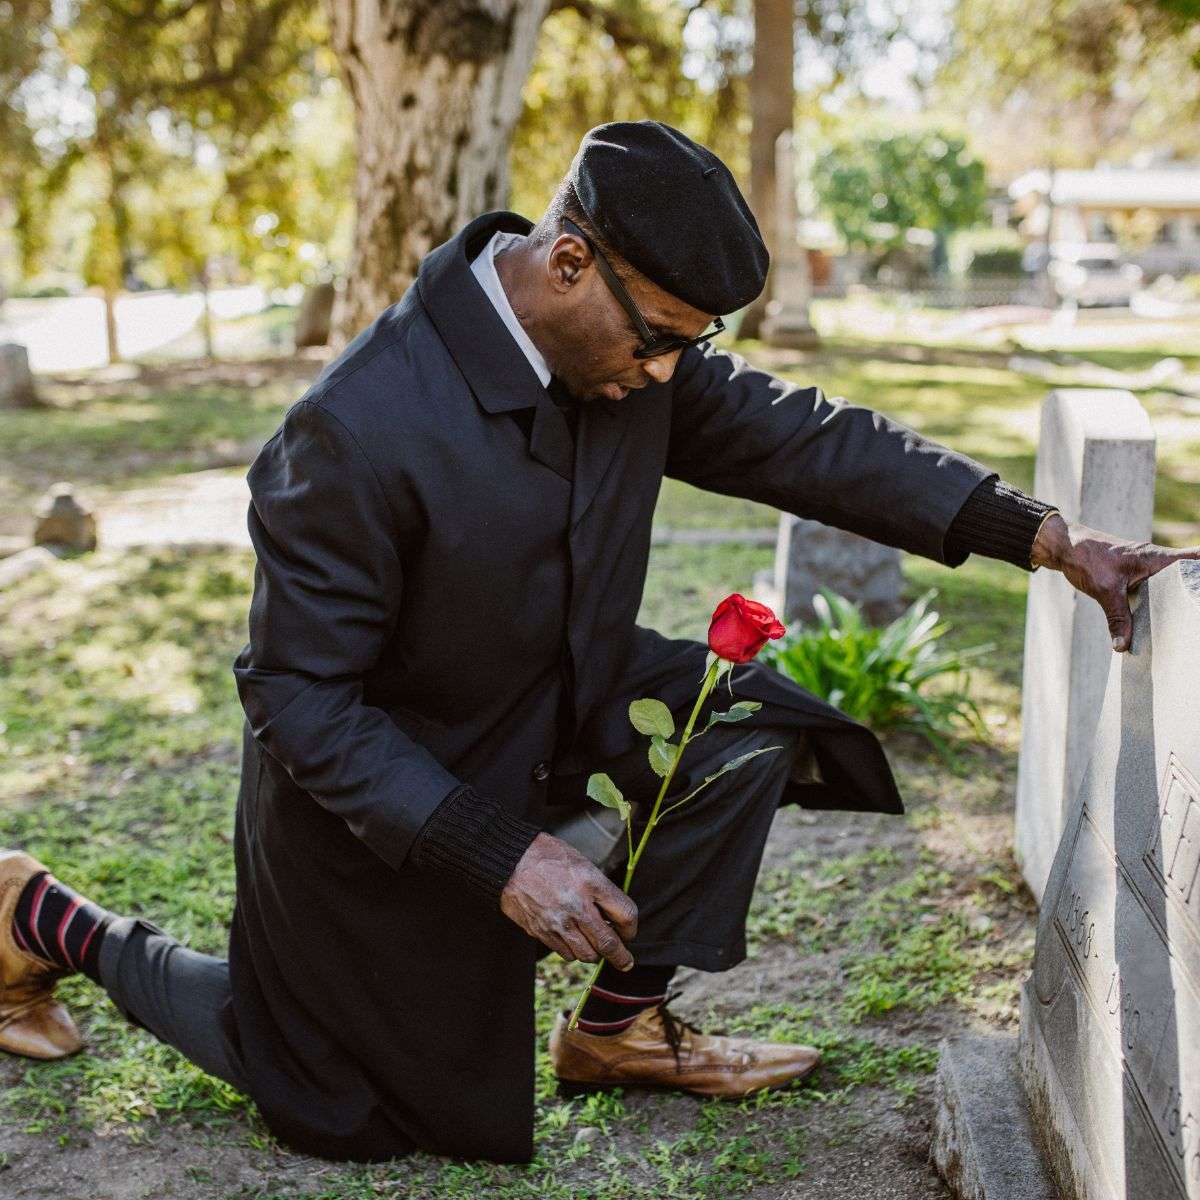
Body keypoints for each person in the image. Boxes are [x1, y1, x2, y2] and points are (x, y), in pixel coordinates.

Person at [1, 121, 1194, 1165]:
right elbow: (301, 699)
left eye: (693, 343)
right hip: (389, 792)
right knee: (340, 1106)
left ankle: (619, 1024)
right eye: (664, 338)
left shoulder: (629, 350)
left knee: (743, 723)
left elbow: (811, 442)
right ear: (568, 262)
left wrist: (1042, 534)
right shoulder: (351, 435)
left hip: (559, 693)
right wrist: (505, 857)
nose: (674, 371)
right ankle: (43, 918)